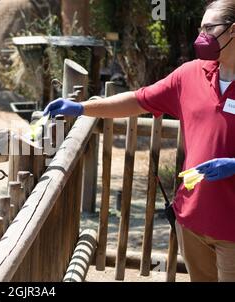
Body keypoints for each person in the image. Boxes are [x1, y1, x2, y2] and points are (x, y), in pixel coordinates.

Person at [44, 0, 235, 282]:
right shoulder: (190, 74)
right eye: (200, 28)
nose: (201, 37)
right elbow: (139, 100)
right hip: (192, 221)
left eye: (209, 28)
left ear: (233, 31)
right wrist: (83, 108)